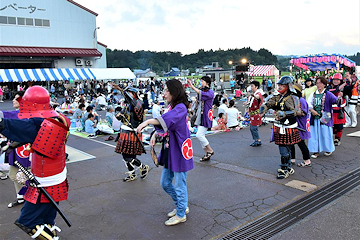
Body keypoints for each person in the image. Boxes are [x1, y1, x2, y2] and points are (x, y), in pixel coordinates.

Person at [0, 86, 70, 239]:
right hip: (57, 177)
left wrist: (2, 123)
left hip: (45, 181)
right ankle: (51, 233)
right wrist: (12, 144)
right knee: (47, 217)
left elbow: (21, 128)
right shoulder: (59, 119)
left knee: (27, 222)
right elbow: (37, 136)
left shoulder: (39, 125)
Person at [137, 79, 193, 226]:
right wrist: (155, 135)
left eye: (167, 91)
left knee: (180, 184)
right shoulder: (172, 107)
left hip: (179, 150)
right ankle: (181, 205)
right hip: (170, 149)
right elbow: (166, 124)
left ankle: (181, 213)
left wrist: (147, 122)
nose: (164, 93)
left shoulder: (181, 107)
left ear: (174, 92)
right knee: (165, 183)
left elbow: (167, 120)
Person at [260, 76, 301, 179]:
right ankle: (288, 167)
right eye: (279, 85)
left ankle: (284, 169)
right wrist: (264, 107)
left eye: (282, 85)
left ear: (288, 86)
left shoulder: (294, 97)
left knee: (284, 149)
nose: (280, 87)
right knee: (284, 148)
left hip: (289, 126)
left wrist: (285, 113)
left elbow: (298, 112)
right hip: (279, 125)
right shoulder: (277, 96)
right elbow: (269, 103)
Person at [0, 91, 32, 208]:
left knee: (20, 175)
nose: (13, 100)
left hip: (24, 150)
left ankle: (29, 194)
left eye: (16, 99)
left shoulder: (24, 114)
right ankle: (22, 196)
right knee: (15, 175)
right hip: (17, 148)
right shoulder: (18, 114)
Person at [112, 86, 149, 182]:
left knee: (128, 156)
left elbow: (132, 102)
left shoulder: (138, 103)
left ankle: (142, 167)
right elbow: (122, 116)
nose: (127, 95)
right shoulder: (128, 105)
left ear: (134, 94)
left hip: (132, 132)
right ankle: (132, 173)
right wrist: (119, 115)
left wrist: (121, 90)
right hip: (125, 131)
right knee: (127, 156)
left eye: (129, 93)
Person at [308, 76, 340, 158]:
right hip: (315, 118)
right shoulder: (313, 94)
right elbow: (309, 104)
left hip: (325, 117)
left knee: (325, 134)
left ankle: (328, 149)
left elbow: (335, 101)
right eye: (317, 83)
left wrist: (339, 98)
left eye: (320, 83)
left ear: (324, 84)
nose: (318, 85)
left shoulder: (328, 94)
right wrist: (312, 110)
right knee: (315, 134)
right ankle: (316, 151)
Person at [187, 76, 215, 162]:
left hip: (206, 116)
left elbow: (202, 94)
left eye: (202, 81)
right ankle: (207, 153)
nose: (201, 83)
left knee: (199, 135)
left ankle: (210, 150)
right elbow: (199, 97)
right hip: (201, 115)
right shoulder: (204, 91)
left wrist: (192, 87)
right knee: (200, 135)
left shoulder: (210, 92)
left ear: (207, 82)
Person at [290, 83, 311, 167]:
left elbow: (303, 113)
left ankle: (307, 160)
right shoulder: (295, 100)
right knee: (290, 142)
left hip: (300, 125)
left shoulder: (301, 100)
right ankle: (292, 159)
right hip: (294, 124)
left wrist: (292, 112)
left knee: (300, 143)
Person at [326, 73, 346, 146]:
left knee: (339, 127)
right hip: (330, 110)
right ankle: (330, 139)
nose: (336, 81)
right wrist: (339, 88)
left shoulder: (344, 87)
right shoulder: (329, 87)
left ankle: (337, 139)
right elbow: (331, 91)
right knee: (330, 127)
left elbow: (349, 90)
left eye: (337, 80)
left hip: (339, 110)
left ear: (340, 80)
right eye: (334, 79)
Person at [246, 81, 263, 147]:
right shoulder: (254, 94)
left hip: (256, 114)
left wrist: (254, 96)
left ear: (256, 87)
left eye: (252, 86)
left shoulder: (258, 93)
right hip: (253, 114)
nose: (251, 87)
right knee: (252, 128)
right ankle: (257, 140)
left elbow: (258, 97)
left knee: (253, 128)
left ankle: (258, 140)